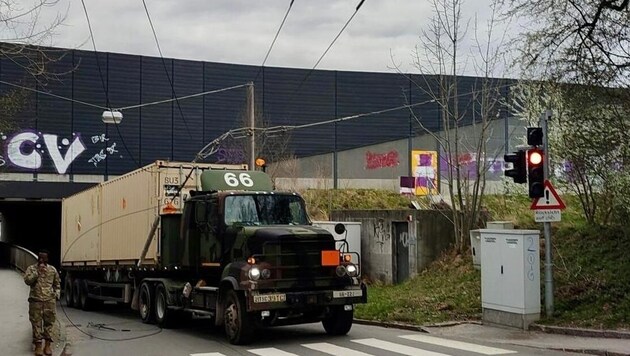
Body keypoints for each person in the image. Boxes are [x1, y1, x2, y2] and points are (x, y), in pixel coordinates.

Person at [23, 250, 60, 356]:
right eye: (40, 258)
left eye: (44, 258)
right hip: (36, 301)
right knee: (36, 323)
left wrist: (57, 294)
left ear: (47, 259)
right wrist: (37, 273)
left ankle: (47, 345)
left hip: (49, 301)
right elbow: (27, 281)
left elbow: (57, 284)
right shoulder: (32, 269)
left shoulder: (52, 270)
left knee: (49, 323)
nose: (41, 260)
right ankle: (38, 345)